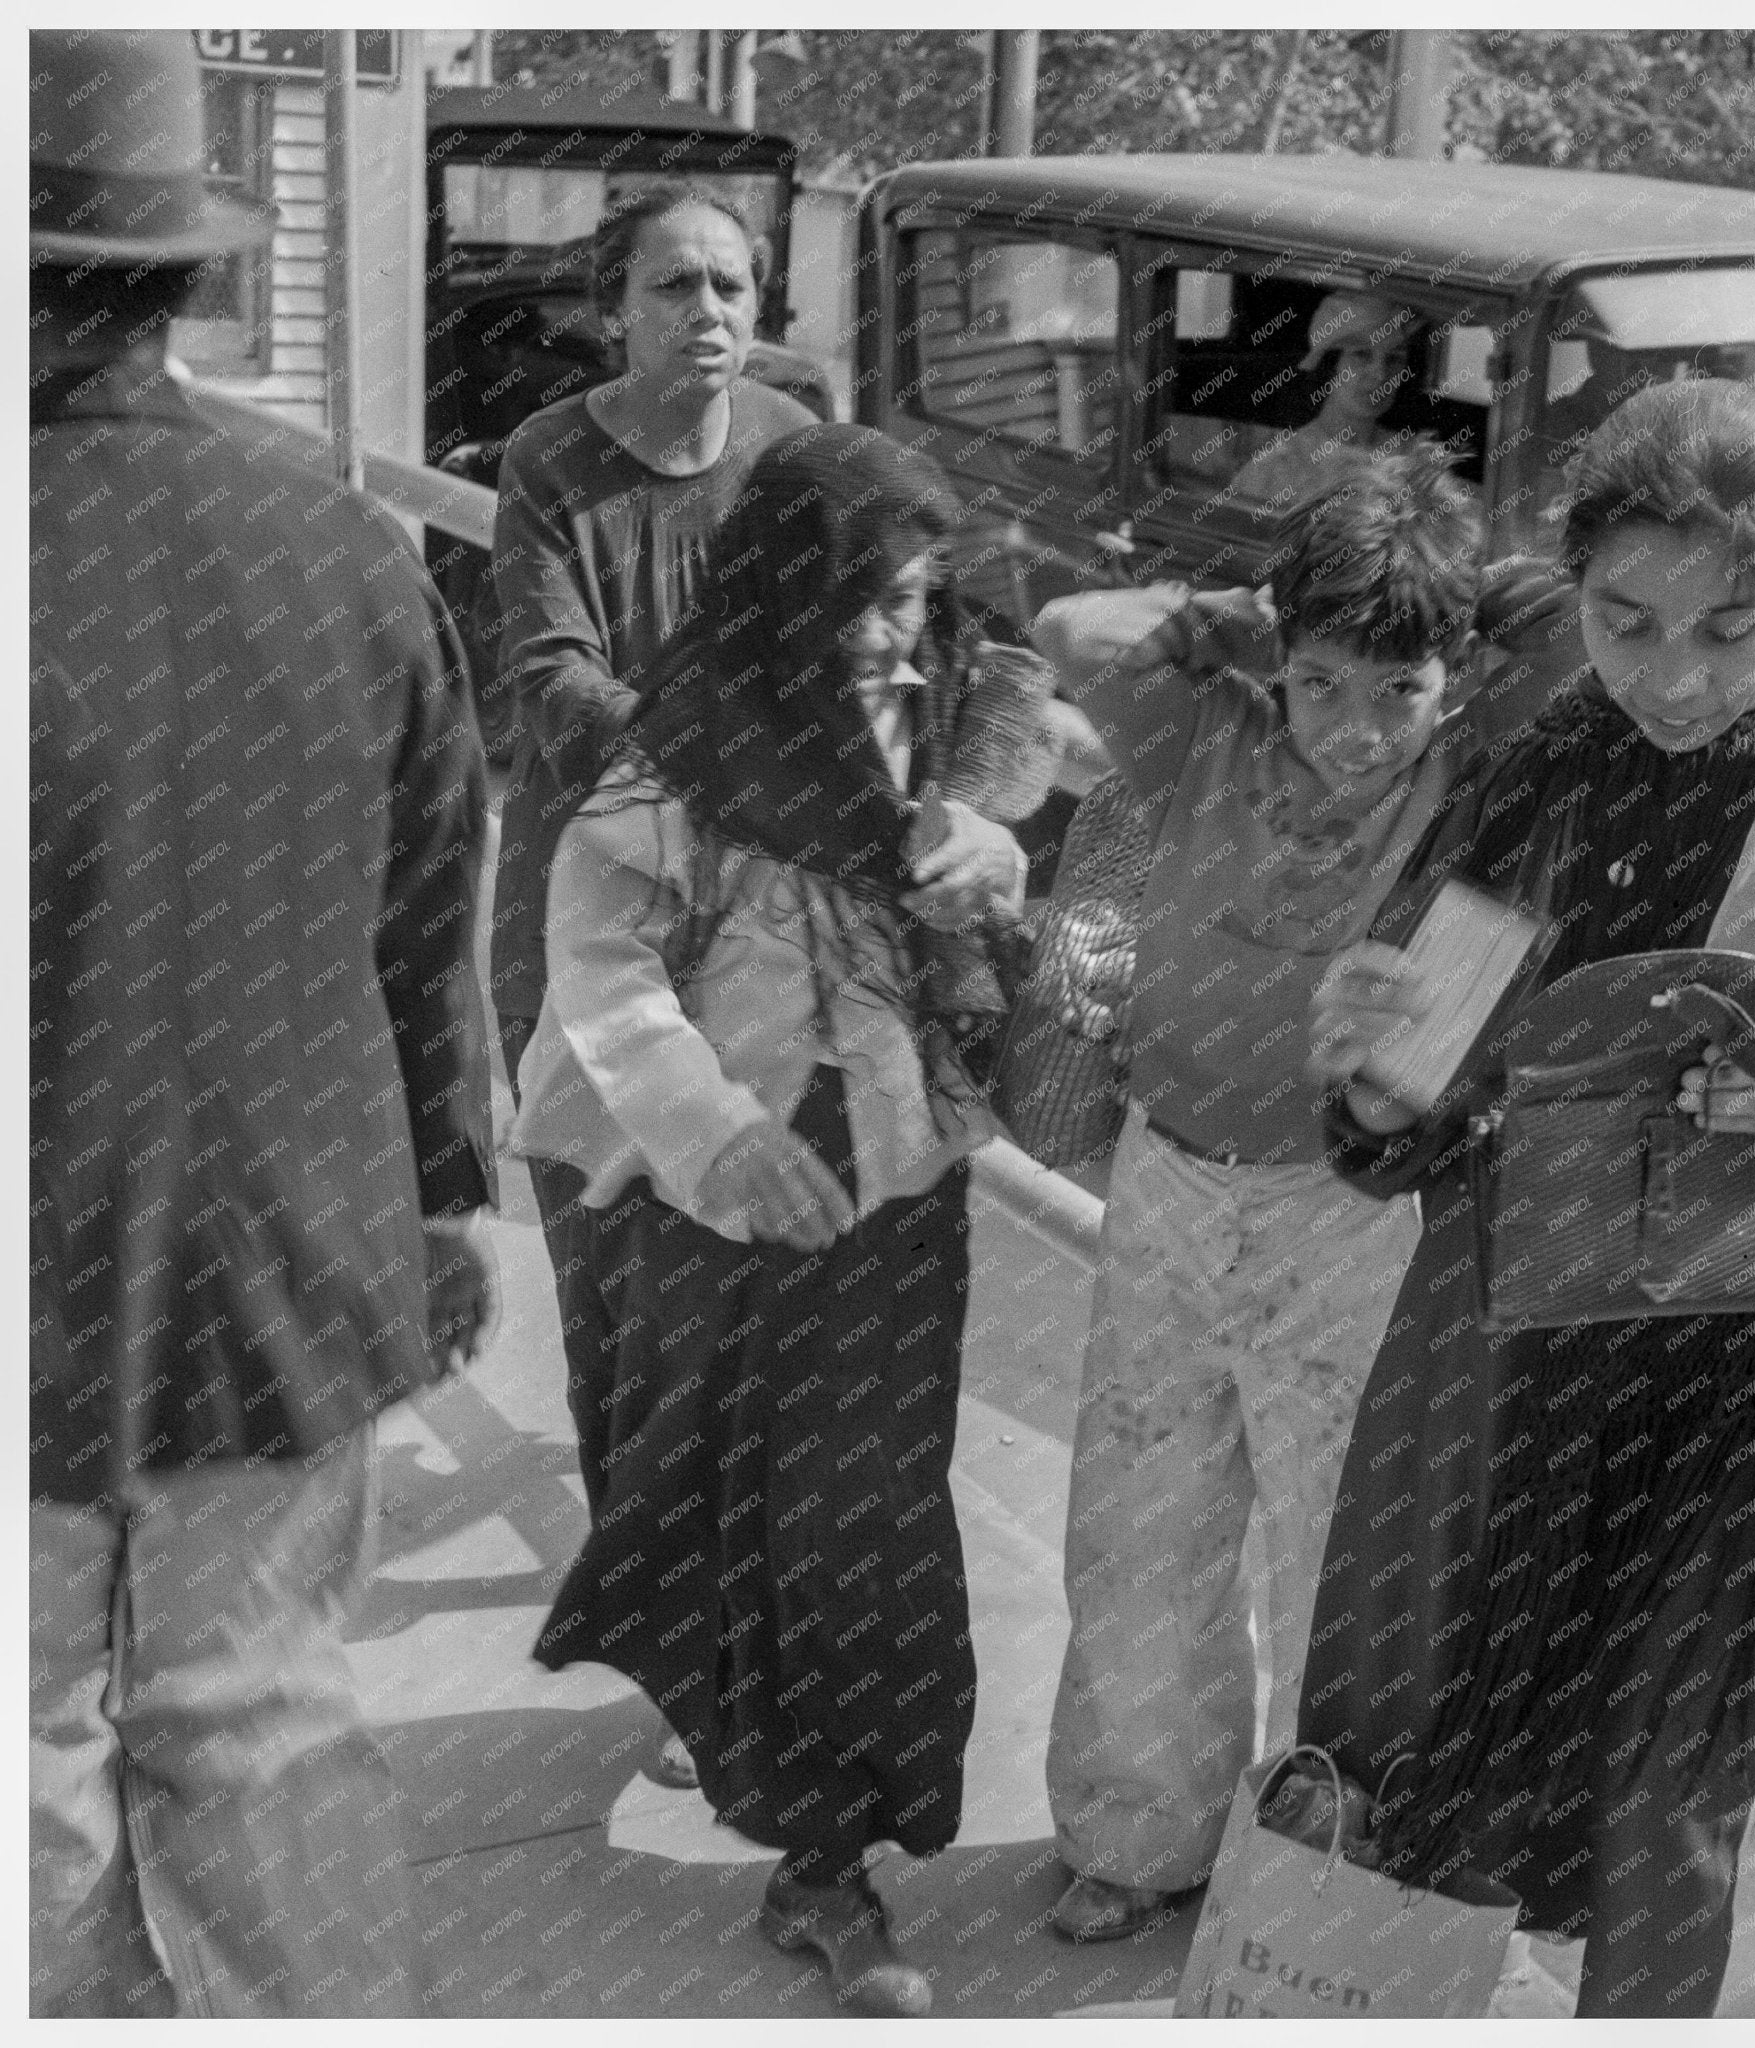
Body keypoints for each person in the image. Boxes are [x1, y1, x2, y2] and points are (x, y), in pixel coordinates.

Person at [1298, 379, 1755, 2016]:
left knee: (1664, 1797)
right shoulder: (1541, 787)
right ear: (1574, 595)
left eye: (1729, 625)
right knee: (1439, 1741)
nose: (1676, 676)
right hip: (1503, 1366)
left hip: (1749, 1398)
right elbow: (1389, 1129)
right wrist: (1364, 1059)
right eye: (1624, 622)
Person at [27, 31, 499, 2018]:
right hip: (282, 1278)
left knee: (32, 1788)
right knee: (264, 1742)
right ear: (188, 275)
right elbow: (427, 930)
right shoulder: (350, 551)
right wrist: (455, 1207)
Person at [514, 425, 1029, 2016]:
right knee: (701, 1493)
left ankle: (831, 1860)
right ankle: (745, 1748)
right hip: (699, 1188)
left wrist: (995, 859)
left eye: (916, 593)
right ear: (780, 594)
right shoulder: (675, 749)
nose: (894, 629)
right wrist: (717, 1135)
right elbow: (599, 963)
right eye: (865, 598)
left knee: (862, 1518)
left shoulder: (941, 717)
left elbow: (1075, 907)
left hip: (882, 1186)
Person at [1027, 444, 1487, 1942]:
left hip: (1350, 1212)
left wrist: (1401, 611)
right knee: (1143, 1524)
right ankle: (1134, 1836)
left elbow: (1553, 635)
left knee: (1338, 1549)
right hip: (1167, 1182)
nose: (1356, 732)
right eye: (1326, 685)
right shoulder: (1207, 730)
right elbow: (1068, 632)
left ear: (1451, 684)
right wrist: (1248, 616)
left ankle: (1320, 1874)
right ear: (1282, 666)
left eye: (1396, 694)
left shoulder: (1471, 785)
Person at [485, 181, 817, 1783]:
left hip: (761, 946)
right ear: (612, 305)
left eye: (735, 285)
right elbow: (551, 682)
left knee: (744, 1318)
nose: (712, 314)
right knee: (621, 1322)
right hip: (593, 951)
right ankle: (675, 1647)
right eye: (676, 285)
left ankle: (732, 1627)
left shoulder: (795, 440)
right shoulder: (552, 464)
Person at [1229, 289, 1422, 509]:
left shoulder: (1416, 462)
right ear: (1330, 365)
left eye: (1394, 358)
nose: (1380, 374)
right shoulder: (1273, 468)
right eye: (1361, 354)